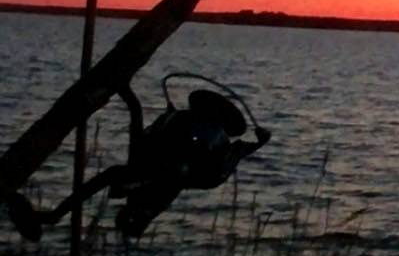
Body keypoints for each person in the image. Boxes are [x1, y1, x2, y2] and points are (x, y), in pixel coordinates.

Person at [3, 85, 269, 241]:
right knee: (119, 176)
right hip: (155, 176)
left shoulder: (206, 148)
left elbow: (230, 157)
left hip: (160, 177)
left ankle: (51, 216)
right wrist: (129, 96)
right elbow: (138, 130)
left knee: (119, 176)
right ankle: (50, 217)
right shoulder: (172, 131)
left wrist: (130, 97)